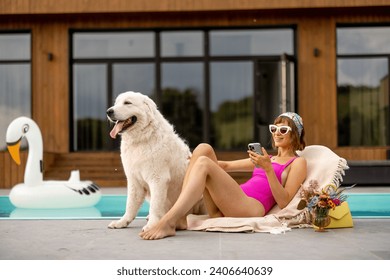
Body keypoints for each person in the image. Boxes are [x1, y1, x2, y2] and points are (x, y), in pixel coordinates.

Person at [140, 112, 307, 240]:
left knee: (204, 163)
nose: (277, 133)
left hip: (249, 207)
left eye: (283, 129)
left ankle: (169, 221)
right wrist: (194, 161)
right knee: (203, 150)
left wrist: (269, 170)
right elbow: (226, 166)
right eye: (274, 128)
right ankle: (181, 218)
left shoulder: (297, 163)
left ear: (295, 135)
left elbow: (284, 202)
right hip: (229, 203)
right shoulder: (267, 158)